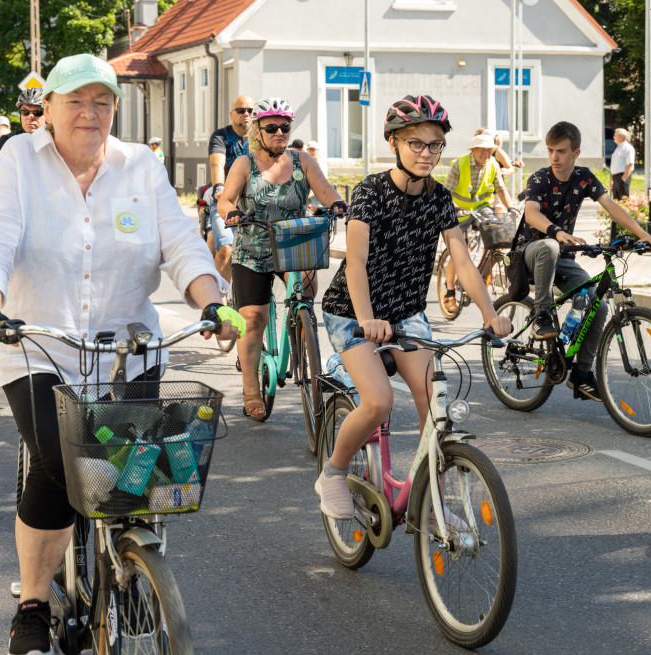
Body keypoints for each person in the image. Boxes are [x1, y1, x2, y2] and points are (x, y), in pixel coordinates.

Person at [0, 53, 244, 655]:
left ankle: (130, 562)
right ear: (51, 108)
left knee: (137, 470)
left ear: (116, 107)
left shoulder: (140, 164)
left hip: (127, 350)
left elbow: (181, 243)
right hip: (36, 346)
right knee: (60, 464)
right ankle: (33, 602)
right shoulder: (18, 161)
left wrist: (213, 301)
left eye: (103, 101)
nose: (90, 113)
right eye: (76, 101)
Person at [314, 95, 512, 519]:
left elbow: (461, 258)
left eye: (435, 144)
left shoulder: (440, 198)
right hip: (353, 312)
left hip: (406, 312)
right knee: (379, 402)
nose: (426, 153)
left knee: (435, 407)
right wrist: (367, 318)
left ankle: (430, 501)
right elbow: (356, 261)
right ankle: (333, 472)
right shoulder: (369, 192)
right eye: (416, 144)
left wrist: (490, 314)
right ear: (394, 144)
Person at [217, 96, 345, 420]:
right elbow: (226, 199)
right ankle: (250, 388)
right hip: (252, 251)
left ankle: (302, 340)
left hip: (294, 247)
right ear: (257, 131)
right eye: (271, 127)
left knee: (306, 294)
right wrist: (231, 212)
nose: (279, 133)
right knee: (253, 319)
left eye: (284, 127)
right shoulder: (244, 164)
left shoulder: (303, 162)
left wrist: (340, 204)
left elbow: (326, 192)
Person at [514, 121, 651, 400]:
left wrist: (644, 234)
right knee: (549, 245)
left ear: (576, 153)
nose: (555, 157)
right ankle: (542, 314)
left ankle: (581, 374)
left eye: (562, 151)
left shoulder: (584, 177)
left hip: (562, 257)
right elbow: (531, 214)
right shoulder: (540, 178)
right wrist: (557, 232)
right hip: (531, 252)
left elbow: (611, 206)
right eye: (550, 151)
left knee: (599, 305)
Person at [440, 131, 514, 313]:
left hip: (481, 208)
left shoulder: (493, 165)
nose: (487, 154)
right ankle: (449, 293)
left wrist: (511, 208)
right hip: (459, 212)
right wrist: (455, 207)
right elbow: (446, 193)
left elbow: (501, 189)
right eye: (483, 150)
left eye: (490, 151)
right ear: (473, 150)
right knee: (459, 252)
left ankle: (481, 275)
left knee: (499, 236)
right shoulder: (460, 164)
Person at [204, 95, 254, 284]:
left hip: (254, 201)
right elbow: (217, 163)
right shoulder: (221, 136)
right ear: (232, 114)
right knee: (224, 248)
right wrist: (219, 187)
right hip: (226, 199)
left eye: (250, 110)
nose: (246, 114)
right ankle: (218, 302)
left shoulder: (260, 136)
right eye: (241, 110)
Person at [610, 128, 635, 201]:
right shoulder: (618, 148)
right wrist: (612, 180)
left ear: (621, 137)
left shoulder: (628, 148)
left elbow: (630, 165)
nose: (613, 137)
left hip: (622, 176)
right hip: (616, 177)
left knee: (624, 201)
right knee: (616, 201)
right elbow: (615, 166)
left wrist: (623, 180)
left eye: (615, 135)